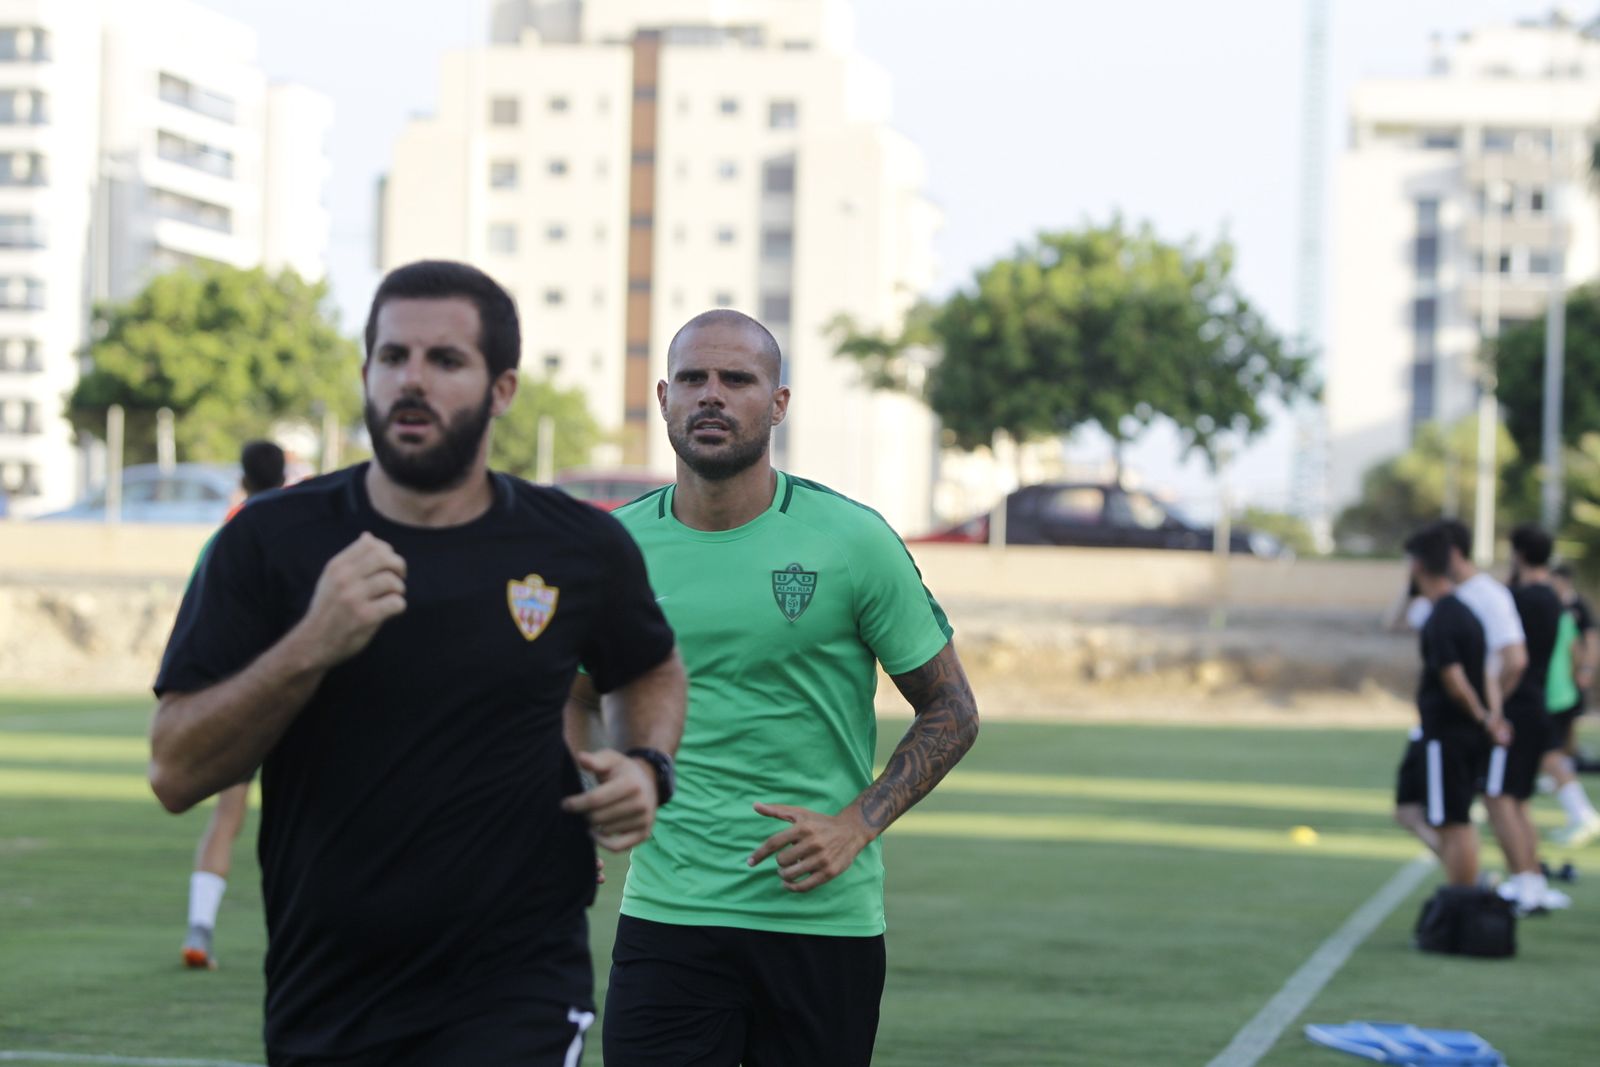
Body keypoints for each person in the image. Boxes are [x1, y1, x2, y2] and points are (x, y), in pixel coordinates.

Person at [150, 260, 687, 1066]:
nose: (413, 380)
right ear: (365, 373)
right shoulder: (269, 541)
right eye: (393, 357)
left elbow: (650, 665)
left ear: (501, 389)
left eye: (445, 361)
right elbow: (175, 769)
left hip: (519, 982)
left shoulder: (575, 544)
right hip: (328, 993)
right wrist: (311, 643)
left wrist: (647, 765)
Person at [566, 309, 980, 1067]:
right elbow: (575, 693)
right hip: (668, 917)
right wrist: (572, 792)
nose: (711, 396)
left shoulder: (851, 540)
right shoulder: (614, 548)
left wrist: (856, 822)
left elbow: (951, 708)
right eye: (692, 378)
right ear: (663, 398)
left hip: (822, 924)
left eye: (737, 379)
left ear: (779, 402)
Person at [181, 439, 288, 970]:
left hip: (240, 696)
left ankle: (200, 930)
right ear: (285, 474)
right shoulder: (302, 530)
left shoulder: (225, 537)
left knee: (227, 816)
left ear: (241, 479)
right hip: (297, 698)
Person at [1402, 523, 1502, 887]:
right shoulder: (1462, 610)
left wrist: (1481, 716)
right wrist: (1490, 717)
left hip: (1448, 735)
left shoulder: (1443, 616)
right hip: (1458, 734)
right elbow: (1486, 672)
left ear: (1417, 566)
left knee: (1452, 823)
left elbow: (1455, 679)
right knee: (1448, 819)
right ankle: (1467, 895)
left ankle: (1464, 901)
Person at [1497, 524, 1571, 912]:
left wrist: (1495, 705)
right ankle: (1532, 880)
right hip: (1536, 703)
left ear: (1519, 553)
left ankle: (1525, 883)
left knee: (1501, 797)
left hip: (1518, 707)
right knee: (1519, 799)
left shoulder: (1521, 599)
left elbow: (1512, 656)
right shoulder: (1551, 597)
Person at [1545, 562, 1600, 845]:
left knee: (1552, 752)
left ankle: (1583, 815)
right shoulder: (1555, 608)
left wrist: (1584, 672)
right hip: (1554, 693)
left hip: (1554, 694)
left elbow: (1583, 646)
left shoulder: (1569, 610)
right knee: (1552, 752)